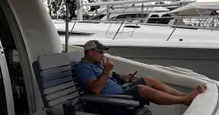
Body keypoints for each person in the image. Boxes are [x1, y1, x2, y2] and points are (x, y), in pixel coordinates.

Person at [75, 40, 206, 106]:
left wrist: (122, 79)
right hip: (111, 100)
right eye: (100, 52)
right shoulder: (83, 68)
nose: (103, 55)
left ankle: (185, 96)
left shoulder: (97, 65)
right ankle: (184, 100)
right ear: (90, 52)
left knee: (148, 79)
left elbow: (106, 81)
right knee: (142, 89)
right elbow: (96, 89)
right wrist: (107, 70)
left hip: (120, 91)